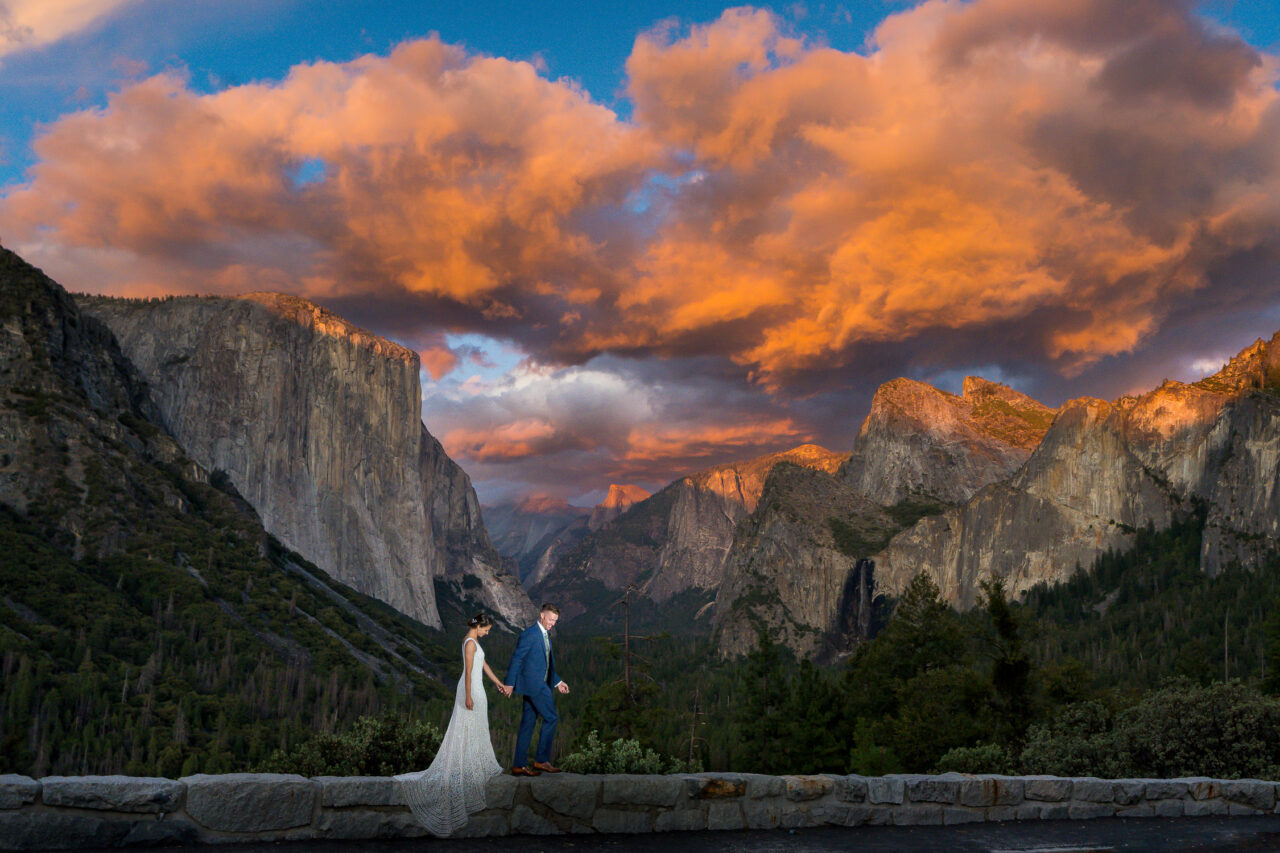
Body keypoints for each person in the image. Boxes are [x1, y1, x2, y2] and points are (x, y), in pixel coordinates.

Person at [396, 613, 513, 836]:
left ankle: (470, 767)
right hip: (471, 690)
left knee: (475, 729)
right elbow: (468, 672)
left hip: (477, 689)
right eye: (486, 629)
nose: (487, 633)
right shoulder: (470, 643)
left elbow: (484, 664)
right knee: (465, 729)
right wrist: (468, 696)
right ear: (478, 627)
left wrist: (499, 683)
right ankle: (464, 770)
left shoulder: (473, 641)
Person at [504, 603, 570, 775]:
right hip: (535, 686)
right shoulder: (530, 635)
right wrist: (509, 683)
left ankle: (519, 765)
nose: (553, 623)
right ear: (542, 615)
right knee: (551, 718)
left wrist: (558, 682)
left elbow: (545, 665)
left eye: (555, 621)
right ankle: (541, 761)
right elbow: (517, 659)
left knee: (528, 724)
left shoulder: (546, 634)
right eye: (550, 619)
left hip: (535, 685)